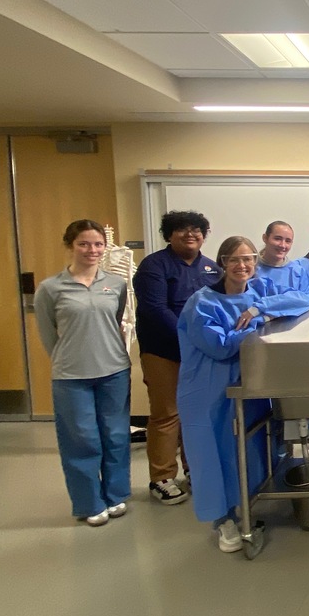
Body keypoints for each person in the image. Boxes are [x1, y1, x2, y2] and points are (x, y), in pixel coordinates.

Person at [176, 236, 309, 553]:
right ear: (222, 262)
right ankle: (222, 521)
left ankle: (246, 509)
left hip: (248, 386)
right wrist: (256, 326)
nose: (242, 266)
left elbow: (302, 300)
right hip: (208, 391)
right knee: (213, 454)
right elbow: (220, 346)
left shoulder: (257, 291)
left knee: (247, 448)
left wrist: (259, 308)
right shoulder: (202, 303)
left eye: (248, 259)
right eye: (235, 260)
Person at [35, 220, 132, 527]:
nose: (92, 250)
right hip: (71, 376)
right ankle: (89, 502)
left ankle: (115, 495)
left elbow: (115, 321)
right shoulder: (51, 288)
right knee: (82, 440)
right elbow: (48, 334)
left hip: (114, 370)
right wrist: (68, 360)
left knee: (115, 437)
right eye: (84, 244)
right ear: (70, 246)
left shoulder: (115, 285)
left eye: (98, 244)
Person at [133, 209, 220, 507]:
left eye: (197, 229)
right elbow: (155, 310)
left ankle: (193, 469)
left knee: (196, 414)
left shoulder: (211, 269)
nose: (191, 234)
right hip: (163, 351)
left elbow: (219, 307)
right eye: (182, 229)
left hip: (199, 354)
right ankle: (161, 477)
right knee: (167, 414)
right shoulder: (153, 266)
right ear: (169, 234)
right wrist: (190, 338)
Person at [256, 220, 309, 293]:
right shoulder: (251, 269)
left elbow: (305, 301)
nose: (282, 245)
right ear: (265, 238)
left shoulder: (298, 273)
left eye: (288, 241)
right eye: (277, 239)